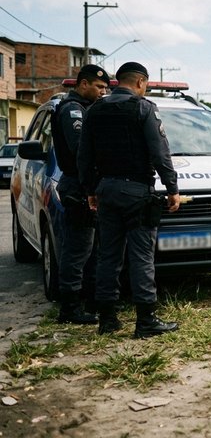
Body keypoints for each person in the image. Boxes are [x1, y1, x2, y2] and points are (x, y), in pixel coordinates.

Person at [78, 62, 181, 338]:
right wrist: (172, 188)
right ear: (140, 83)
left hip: (106, 190)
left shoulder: (94, 110)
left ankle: (107, 319)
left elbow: (84, 156)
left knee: (108, 256)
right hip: (137, 191)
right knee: (141, 256)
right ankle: (145, 320)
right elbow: (160, 153)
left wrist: (90, 190)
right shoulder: (143, 108)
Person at [51, 64, 110, 324]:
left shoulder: (87, 109)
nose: (102, 92)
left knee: (92, 248)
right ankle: (69, 309)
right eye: (98, 87)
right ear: (83, 84)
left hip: (86, 184)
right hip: (77, 185)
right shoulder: (72, 110)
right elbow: (80, 151)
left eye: (105, 88)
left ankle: (89, 302)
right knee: (77, 248)